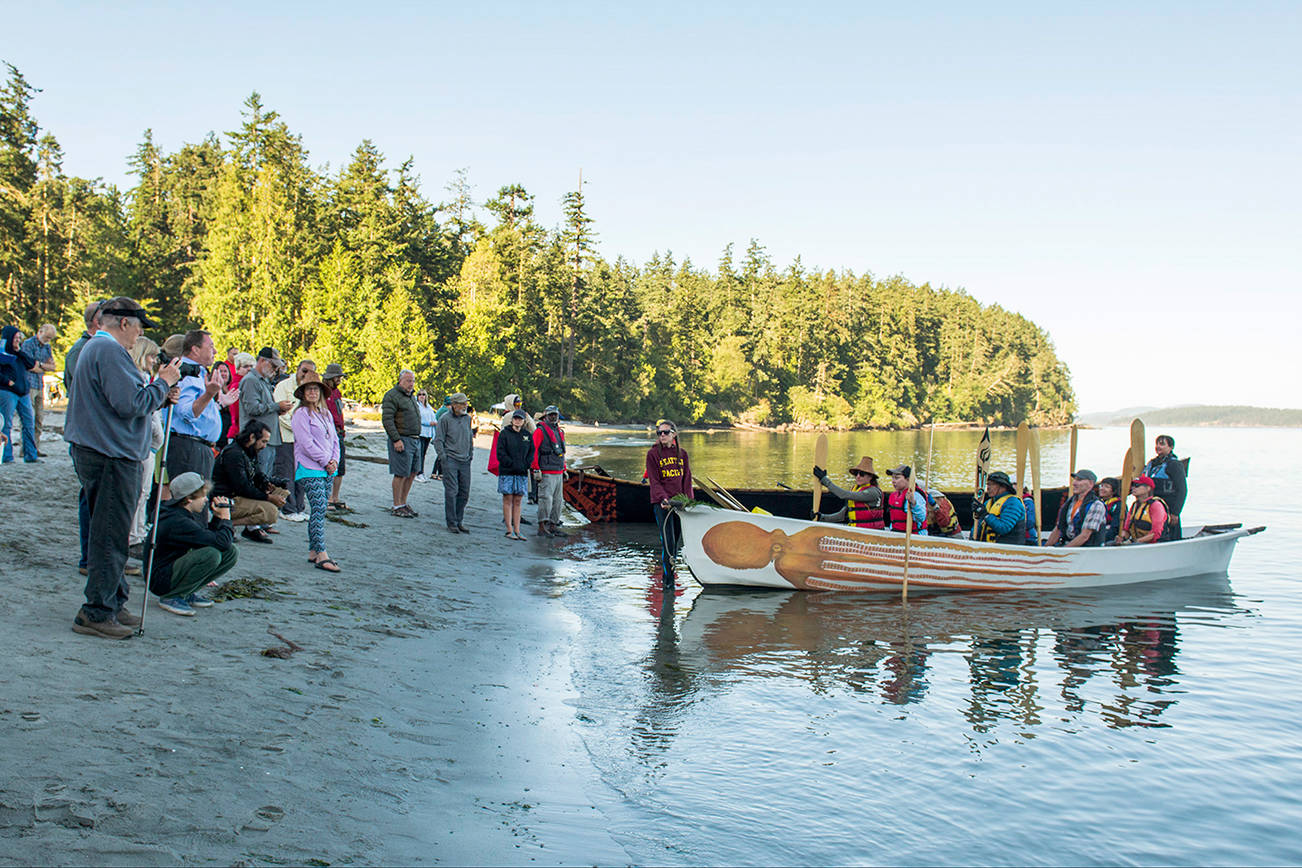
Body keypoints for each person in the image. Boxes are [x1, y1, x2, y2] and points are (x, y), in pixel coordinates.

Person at [63, 297, 182, 639]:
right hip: (111, 454)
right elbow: (129, 404)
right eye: (139, 325)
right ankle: (96, 610)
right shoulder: (109, 351)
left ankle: (112, 603)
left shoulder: (97, 349)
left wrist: (160, 392)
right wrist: (162, 383)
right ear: (124, 323)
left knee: (110, 531)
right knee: (111, 536)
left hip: (102, 450)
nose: (141, 333)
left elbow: (122, 400)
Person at [149, 472, 239, 617]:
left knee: (231, 552)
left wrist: (217, 519)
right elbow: (221, 542)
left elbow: (211, 540)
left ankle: (187, 591)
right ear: (189, 498)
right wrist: (226, 517)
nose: (206, 500)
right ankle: (173, 596)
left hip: (169, 570)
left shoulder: (179, 513)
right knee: (211, 555)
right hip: (161, 580)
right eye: (203, 496)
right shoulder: (177, 521)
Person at [292, 371, 341, 571]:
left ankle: (313, 550)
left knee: (319, 511)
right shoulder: (300, 414)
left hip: (327, 469)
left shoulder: (325, 413)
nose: (312, 392)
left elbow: (334, 440)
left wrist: (334, 461)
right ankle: (322, 553)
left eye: (315, 389)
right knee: (320, 506)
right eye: (309, 389)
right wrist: (325, 460)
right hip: (310, 467)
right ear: (303, 393)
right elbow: (306, 444)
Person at [238, 347, 289, 531]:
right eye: (273, 366)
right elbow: (252, 408)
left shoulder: (263, 381)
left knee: (264, 479)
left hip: (268, 439)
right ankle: (252, 524)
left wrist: (278, 409)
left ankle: (262, 519)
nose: (275, 370)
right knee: (256, 480)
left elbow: (264, 407)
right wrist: (276, 406)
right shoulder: (251, 380)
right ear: (262, 361)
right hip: (256, 440)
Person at [211, 420, 288, 541]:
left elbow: (257, 474)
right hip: (227, 498)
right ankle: (224, 524)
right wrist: (267, 497)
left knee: (282, 493)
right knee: (271, 511)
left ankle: (251, 528)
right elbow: (242, 487)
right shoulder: (234, 453)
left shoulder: (249, 451)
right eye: (263, 441)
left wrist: (266, 483)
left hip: (239, 495)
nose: (264, 446)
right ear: (252, 437)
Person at [167, 329, 224, 482]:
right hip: (188, 447)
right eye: (211, 347)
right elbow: (186, 412)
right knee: (189, 502)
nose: (215, 351)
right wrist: (209, 394)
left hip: (198, 447)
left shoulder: (198, 373)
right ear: (195, 349)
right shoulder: (185, 373)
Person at [126, 337, 165, 555]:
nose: (154, 361)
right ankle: (134, 536)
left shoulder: (145, 377)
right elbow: (148, 414)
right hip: (144, 446)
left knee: (144, 493)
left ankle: (138, 532)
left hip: (149, 446)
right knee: (140, 494)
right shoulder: (139, 379)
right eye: (151, 356)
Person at [646, 420, 692, 582]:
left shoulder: (683, 454)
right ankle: (668, 581)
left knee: (676, 543)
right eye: (659, 433)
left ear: (674, 434)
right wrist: (663, 499)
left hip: (679, 503)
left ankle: (672, 573)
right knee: (668, 542)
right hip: (662, 504)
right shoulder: (652, 455)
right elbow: (655, 481)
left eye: (666, 432)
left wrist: (688, 501)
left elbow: (687, 479)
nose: (662, 435)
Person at [272, 358, 316, 522]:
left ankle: (298, 507)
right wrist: (300, 428)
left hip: (303, 441)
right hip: (286, 438)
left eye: (310, 372)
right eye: (304, 370)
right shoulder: (283, 386)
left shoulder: (310, 390)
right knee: (286, 473)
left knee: (301, 475)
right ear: (298, 369)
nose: (305, 374)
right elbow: (281, 414)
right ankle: (287, 508)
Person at [382, 369, 423, 518]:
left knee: (413, 472)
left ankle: (403, 502)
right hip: (402, 439)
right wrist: (395, 439)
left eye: (412, 381)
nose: (411, 384)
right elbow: (387, 419)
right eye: (408, 380)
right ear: (400, 380)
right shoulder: (392, 396)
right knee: (400, 473)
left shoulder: (411, 397)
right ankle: (396, 504)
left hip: (415, 439)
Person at [0, 326, 41, 464]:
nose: (18, 340)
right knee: (6, 424)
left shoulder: (19, 353)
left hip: (23, 393)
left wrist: (19, 352)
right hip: (7, 392)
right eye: (16, 338)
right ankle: (6, 456)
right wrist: (9, 382)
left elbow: (31, 364)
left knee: (29, 422)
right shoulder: (2, 353)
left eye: (19, 338)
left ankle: (31, 455)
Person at [435, 391, 475, 532]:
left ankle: (459, 521)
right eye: (463, 403)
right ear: (454, 405)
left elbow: (469, 437)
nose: (466, 405)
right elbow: (438, 440)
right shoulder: (444, 419)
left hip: (465, 460)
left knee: (464, 493)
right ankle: (451, 522)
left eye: (466, 403)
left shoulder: (467, 419)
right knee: (452, 492)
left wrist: (470, 454)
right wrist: (443, 458)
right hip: (450, 459)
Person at [813, 456, 885, 528]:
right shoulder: (855, 489)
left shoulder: (872, 492)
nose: (858, 476)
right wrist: (822, 517)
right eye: (856, 473)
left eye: (862, 474)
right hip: (857, 530)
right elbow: (843, 515)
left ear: (870, 477)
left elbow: (843, 495)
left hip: (871, 532)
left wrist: (825, 481)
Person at [496, 409, 534, 540]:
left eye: (520, 419)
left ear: (524, 421)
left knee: (518, 500)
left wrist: (526, 465)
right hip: (507, 471)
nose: (517, 421)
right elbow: (500, 453)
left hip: (522, 472)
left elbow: (531, 452)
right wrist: (510, 463)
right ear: (512, 419)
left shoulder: (527, 435)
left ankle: (518, 530)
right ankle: (509, 529)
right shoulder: (504, 434)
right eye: (516, 418)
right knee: (508, 499)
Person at [531, 404, 569, 537]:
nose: (553, 417)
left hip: (558, 471)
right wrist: (536, 469)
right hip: (546, 471)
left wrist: (564, 468)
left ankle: (553, 525)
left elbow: (562, 453)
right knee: (545, 500)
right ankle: (542, 526)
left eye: (555, 415)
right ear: (545, 416)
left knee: (558, 501)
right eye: (551, 415)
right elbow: (534, 451)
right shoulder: (540, 431)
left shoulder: (559, 432)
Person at [19, 323, 56, 452]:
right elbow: (29, 365)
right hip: (28, 384)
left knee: (39, 417)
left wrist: (39, 365)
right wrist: (42, 366)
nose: (47, 341)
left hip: (40, 384)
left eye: (50, 339)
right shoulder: (28, 344)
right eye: (46, 338)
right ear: (39, 332)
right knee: (28, 417)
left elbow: (52, 367)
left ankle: (35, 447)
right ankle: (26, 449)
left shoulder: (47, 347)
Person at [1046, 469, 1106, 548]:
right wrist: (1044, 550)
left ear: (1091, 484)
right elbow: (1058, 528)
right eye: (1075, 480)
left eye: (1079, 480)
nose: (1074, 483)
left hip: (1087, 550)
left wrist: (1063, 552)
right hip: (1068, 546)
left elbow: (1085, 536)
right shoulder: (1070, 502)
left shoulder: (1097, 505)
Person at [1143, 435, 1187, 539]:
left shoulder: (1174, 465)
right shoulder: (1152, 463)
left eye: (1162, 444)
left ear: (1171, 447)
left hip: (1168, 506)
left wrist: (1175, 512)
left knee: (1168, 534)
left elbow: (1182, 490)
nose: (1158, 446)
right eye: (1157, 444)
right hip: (1152, 505)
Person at [62, 299, 105, 401]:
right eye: (108, 318)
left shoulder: (96, 347)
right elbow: (87, 387)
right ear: (97, 322)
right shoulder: (80, 350)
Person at [322, 363, 349, 510]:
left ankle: (335, 497)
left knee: (340, 466)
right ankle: (326, 499)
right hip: (328, 433)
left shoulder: (337, 393)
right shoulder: (322, 392)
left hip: (339, 432)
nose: (340, 379)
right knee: (329, 465)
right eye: (338, 377)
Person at [973, 471, 1028, 544]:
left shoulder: (1013, 503)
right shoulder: (988, 503)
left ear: (1003, 486)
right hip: (988, 549)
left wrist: (986, 515)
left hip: (1010, 550)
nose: (988, 488)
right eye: (988, 484)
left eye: (992, 484)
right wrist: (973, 538)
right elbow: (978, 526)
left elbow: (1004, 528)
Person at [1119, 475, 1173, 544]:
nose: (1133, 488)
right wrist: (1122, 537)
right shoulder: (1134, 506)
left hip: (1156, 544)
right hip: (1138, 543)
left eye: (1137, 485)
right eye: (1132, 485)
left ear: (1148, 488)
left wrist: (1136, 542)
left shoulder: (1156, 505)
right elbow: (1127, 530)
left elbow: (1156, 533)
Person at [883, 465, 928, 534]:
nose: (893, 481)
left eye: (897, 478)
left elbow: (921, 518)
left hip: (914, 536)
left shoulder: (915, 495)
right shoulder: (894, 495)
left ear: (908, 479)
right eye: (892, 478)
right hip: (898, 534)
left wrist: (913, 503)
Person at [224, 352, 256, 443]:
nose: (249, 369)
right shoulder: (236, 386)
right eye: (245, 366)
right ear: (238, 368)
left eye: (251, 366)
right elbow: (237, 412)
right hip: (239, 433)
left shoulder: (250, 383)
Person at [416, 389, 437, 482]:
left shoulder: (428, 407)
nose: (421, 396)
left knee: (423, 454)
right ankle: (418, 473)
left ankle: (421, 472)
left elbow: (434, 417)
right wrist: (429, 423)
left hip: (428, 434)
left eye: (423, 394)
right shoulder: (417, 406)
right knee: (419, 453)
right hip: (420, 432)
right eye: (419, 394)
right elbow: (418, 419)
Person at [431, 395, 452, 480]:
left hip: (439, 434)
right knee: (441, 455)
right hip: (440, 435)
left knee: (440, 455)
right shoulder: (445, 410)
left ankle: (437, 473)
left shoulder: (443, 409)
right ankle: (438, 473)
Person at [1098, 477, 1123, 544]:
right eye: (1101, 486)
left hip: (1108, 538)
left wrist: (1102, 540)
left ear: (1114, 490)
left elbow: (1115, 527)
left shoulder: (1118, 505)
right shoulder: (1098, 503)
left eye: (1106, 487)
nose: (1102, 488)